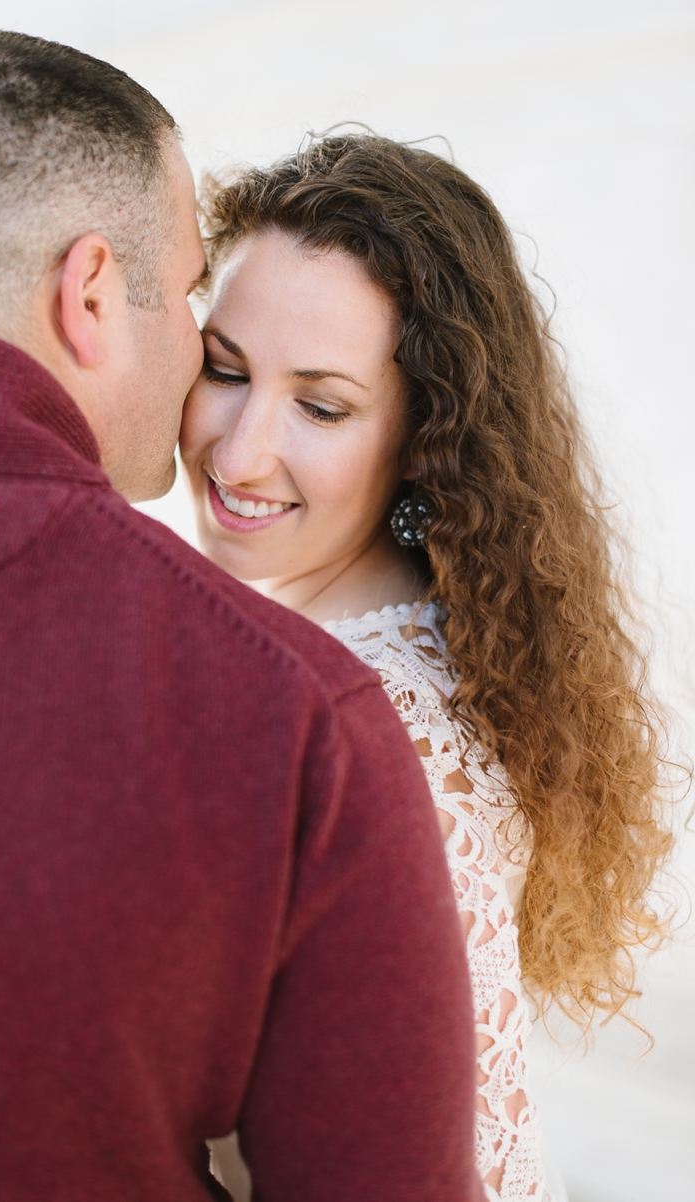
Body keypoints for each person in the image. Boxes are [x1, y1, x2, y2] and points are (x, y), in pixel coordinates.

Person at [0, 35, 486, 1202]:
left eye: (320, 401)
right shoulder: (289, 716)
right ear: (92, 294)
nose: (228, 432)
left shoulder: (341, 706)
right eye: (198, 325)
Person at [181, 133, 675, 1201]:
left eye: (318, 405)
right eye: (223, 369)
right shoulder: (423, 642)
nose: (237, 450)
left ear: (422, 437)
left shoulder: (363, 721)